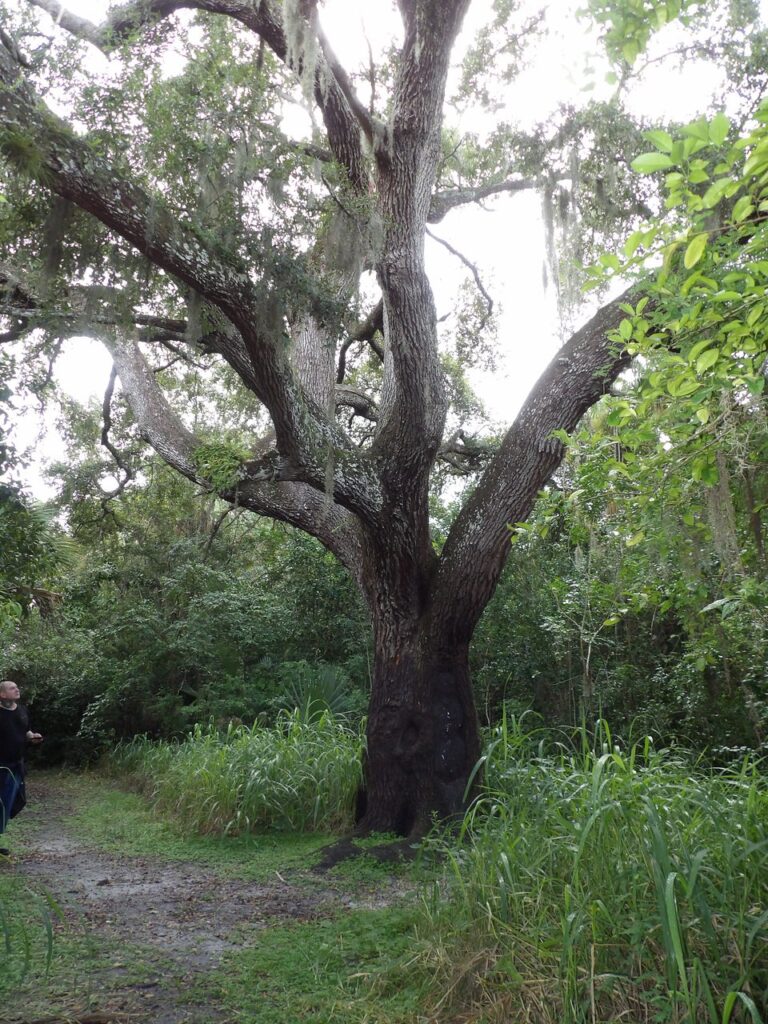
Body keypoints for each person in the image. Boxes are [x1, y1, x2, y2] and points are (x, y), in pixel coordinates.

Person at [0, 680, 43, 856]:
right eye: (12, 688)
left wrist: (33, 737)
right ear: (2, 694)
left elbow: (26, 731)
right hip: (1, 767)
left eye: (17, 687)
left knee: (9, 804)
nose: (17, 689)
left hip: (16, 765)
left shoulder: (22, 711)